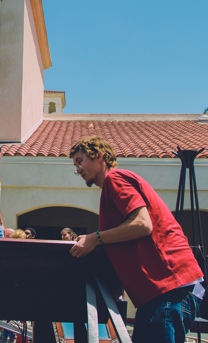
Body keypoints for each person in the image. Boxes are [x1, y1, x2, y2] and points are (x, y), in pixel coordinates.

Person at [69, 135, 204, 342]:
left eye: (80, 161)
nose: (77, 169)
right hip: (165, 292)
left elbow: (142, 224)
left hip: (169, 288)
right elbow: (129, 244)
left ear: (99, 156)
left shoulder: (115, 179)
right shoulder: (111, 190)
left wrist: (95, 238)